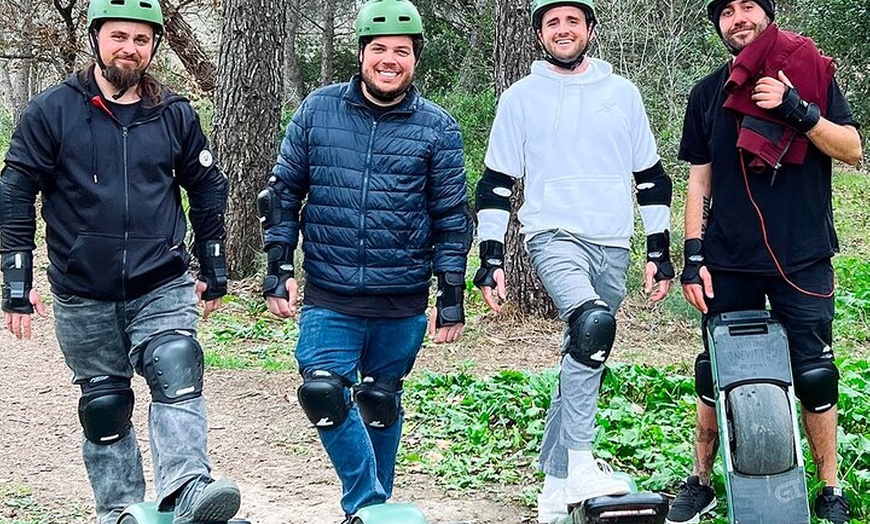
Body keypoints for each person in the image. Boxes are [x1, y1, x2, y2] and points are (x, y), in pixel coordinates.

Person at [0, 0, 243, 523]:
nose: (130, 49)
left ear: (153, 45)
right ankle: (122, 509)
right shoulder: (52, 110)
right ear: (96, 38)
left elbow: (206, 188)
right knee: (105, 405)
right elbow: (16, 192)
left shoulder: (173, 113)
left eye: (141, 39)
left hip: (161, 279)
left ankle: (186, 490)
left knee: (176, 363)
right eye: (119, 37)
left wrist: (213, 266)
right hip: (82, 286)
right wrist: (15, 283)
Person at [258, 0, 472, 521]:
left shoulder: (437, 127)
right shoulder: (318, 109)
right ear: (361, 54)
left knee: (380, 401)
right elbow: (283, 194)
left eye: (402, 51)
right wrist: (279, 267)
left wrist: (451, 296)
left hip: (401, 294)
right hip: (330, 291)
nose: (389, 59)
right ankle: (370, 504)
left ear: (415, 59)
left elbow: (451, 218)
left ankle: (369, 514)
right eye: (379, 48)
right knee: (324, 391)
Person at [473, 0, 675, 521]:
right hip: (552, 234)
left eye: (572, 21)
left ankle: (555, 485)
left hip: (613, 241)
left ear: (589, 28)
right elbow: (496, 184)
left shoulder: (622, 94)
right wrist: (490, 254)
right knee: (592, 325)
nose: (563, 30)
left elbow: (651, 176)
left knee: (585, 356)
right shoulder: (520, 99)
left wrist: (659, 250)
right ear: (540, 33)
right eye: (552, 22)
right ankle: (581, 467)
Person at [668, 1, 862, 523]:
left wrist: (798, 110)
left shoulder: (808, 72)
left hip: (803, 255)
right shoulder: (707, 93)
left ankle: (829, 487)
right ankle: (702, 481)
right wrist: (692, 255)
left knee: (817, 373)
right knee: (713, 370)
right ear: (718, 25)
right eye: (726, 11)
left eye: (747, 5)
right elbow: (699, 180)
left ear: (766, 14)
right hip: (728, 259)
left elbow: (852, 149)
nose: (737, 18)